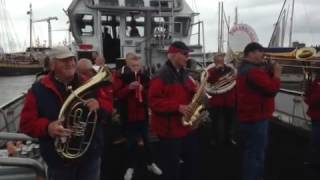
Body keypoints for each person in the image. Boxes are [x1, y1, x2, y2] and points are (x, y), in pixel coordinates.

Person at [19, 46, 113, 180]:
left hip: (90, 157)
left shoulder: (89, 83)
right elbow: (26, 124)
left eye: (72, 59)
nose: (70, 63)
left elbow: (109, 110)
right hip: (58, 162)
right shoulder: (38, 90)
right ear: (52, 65)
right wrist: (48, 127)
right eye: (64, 60)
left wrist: (100, 106)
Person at [148, 41, 199, 180]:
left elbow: (190, 93)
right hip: (169, 130)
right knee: (171, 167)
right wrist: (178, 107)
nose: (187, 57)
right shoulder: (160, 76)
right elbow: (153, 102)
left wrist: (197, 92)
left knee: (191, 162)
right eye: (185, 54)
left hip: (185, 127)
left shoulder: (185, 74)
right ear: (174, 55)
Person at [236, 42, 281, 180]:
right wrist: (277, 74)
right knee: (256, 155)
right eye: (260, 51)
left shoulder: (245, 69)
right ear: (251, 53)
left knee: (251, 153)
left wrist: (267, 70)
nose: (263, 54)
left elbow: (258, 85)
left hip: (249, 117)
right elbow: (271, 89)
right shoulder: (253, 71)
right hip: (256, 118)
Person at [113, 52, 162, 180]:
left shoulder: (145, 77)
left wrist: (143, 90)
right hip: (127, 115)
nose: (136, 66)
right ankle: (130, 167)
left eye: (137, 64)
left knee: (147, 141)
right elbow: (117, 95)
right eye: (133, 63)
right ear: (127, 63)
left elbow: (150, 95)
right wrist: (129, 87)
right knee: (130, 144)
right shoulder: (120, 76)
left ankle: (150, 163)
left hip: (142, 115)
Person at [207, 54, 237, 146]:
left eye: (222, 61)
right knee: (215, 122)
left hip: (229, 100)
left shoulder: (230, 70)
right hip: (216, 100)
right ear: (215, 62)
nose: (221, 63)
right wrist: (216, 70)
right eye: (218, 61)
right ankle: (214, 139)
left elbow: (235, 82)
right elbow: (209, 80)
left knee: (230, 121)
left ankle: (229, 138)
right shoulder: (210, 71)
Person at [304, 72, 320, 179]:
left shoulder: (318, 81)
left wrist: (306, 99)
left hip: (318, 116)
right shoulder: (317, 81)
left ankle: (314, 163)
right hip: (316, 116)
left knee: (316, 141)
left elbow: (315, 99)